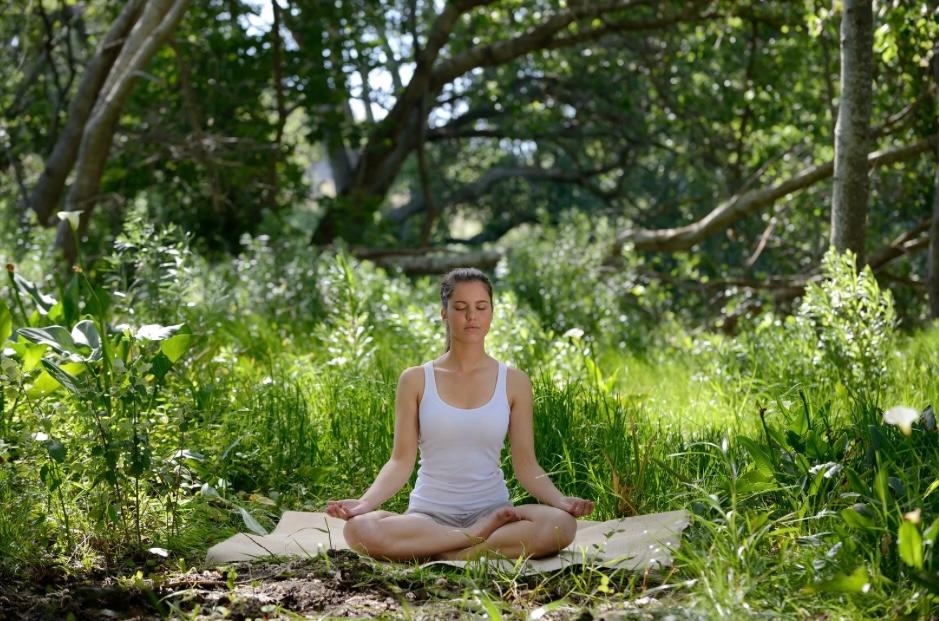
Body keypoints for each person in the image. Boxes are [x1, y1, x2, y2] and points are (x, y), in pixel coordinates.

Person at [326, 267, 595, 562]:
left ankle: (446, 551)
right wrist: (365, 503)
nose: (471, 316)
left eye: (481, 307)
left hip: (494, 513)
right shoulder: (415, 379)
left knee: (561, 525)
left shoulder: (514, 381)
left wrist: (560, 500)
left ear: (491, 313)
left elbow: (526, 464)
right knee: (359, 530)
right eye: (460, 307)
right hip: (429, 517)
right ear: (444, 313)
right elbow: (400, 461)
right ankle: (470, 541)